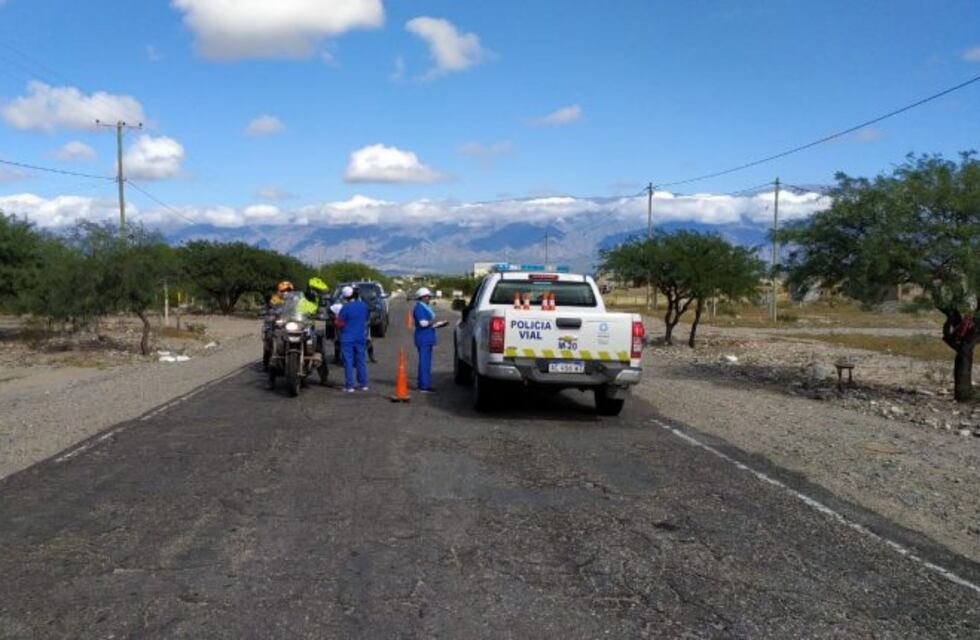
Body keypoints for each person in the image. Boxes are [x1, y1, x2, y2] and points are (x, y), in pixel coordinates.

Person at [336, 285, 370, 392]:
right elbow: (366, 318)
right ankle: (363, 384)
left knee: (348, 361)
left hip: (347, 337)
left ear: (345, 297)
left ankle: (349, 386)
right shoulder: (363, 306)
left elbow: (339, 323)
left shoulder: (345, 308)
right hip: (360, 336)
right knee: (361, 360)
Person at [413, 287, 441, 393]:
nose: (429, 298)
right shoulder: (419, 308)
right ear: (422, 297)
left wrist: (437, 324)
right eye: (427, 296)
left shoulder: (424, 307)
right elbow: (423, 323)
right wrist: (432, 322)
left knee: (426, 363)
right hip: (423, 337)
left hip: (427, 337)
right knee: (424, 363)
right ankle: (424, 386)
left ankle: (425, 384)